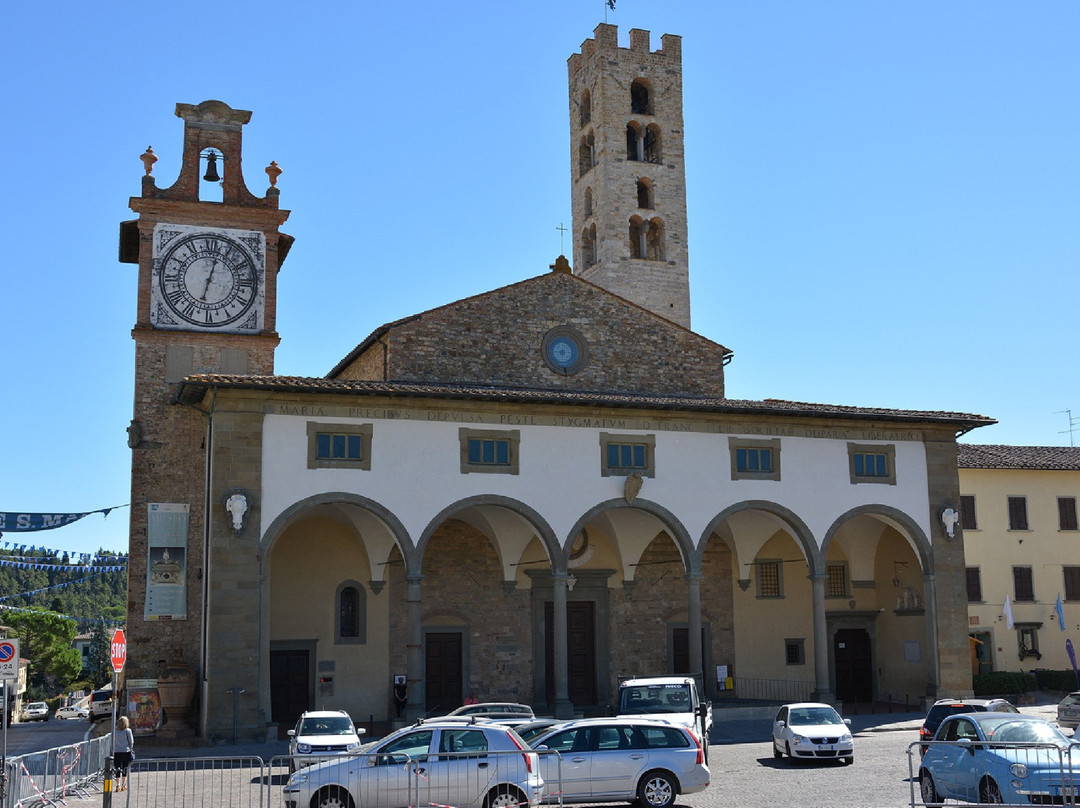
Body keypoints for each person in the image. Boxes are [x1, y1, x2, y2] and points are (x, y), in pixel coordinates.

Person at [113, 715, 135, 791]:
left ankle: (117, 785)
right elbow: (131, 741)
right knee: (125, 768)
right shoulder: (128, 731)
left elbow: (113, 741)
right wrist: (130, 748)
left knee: (117, 768)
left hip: (117, 751)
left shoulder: (115, 731)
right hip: (126, 751)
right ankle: (123, 784)